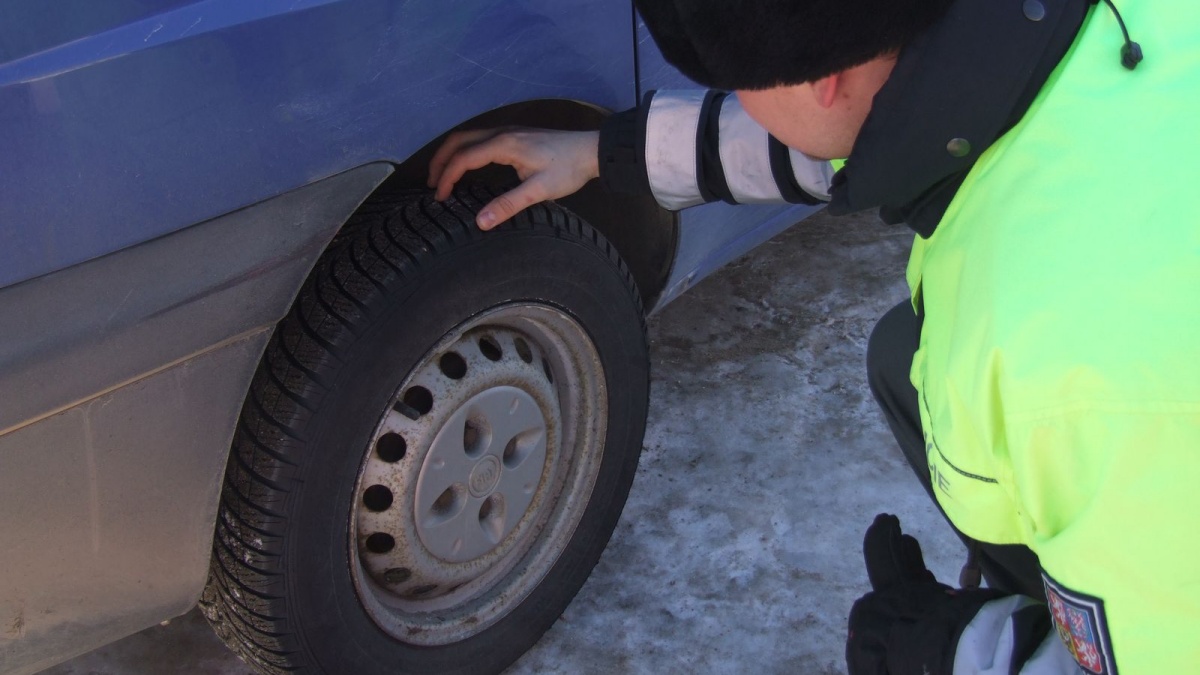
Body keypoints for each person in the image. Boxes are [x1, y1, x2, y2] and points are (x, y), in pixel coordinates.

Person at [428, 0, 1200, 672]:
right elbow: (855, 136)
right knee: (904, 357)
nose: (736, 98)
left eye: (738, 86)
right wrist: (603, 154)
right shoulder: (1089, 30)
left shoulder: (1069, 375)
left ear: (821, 79)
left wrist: (960, 649)